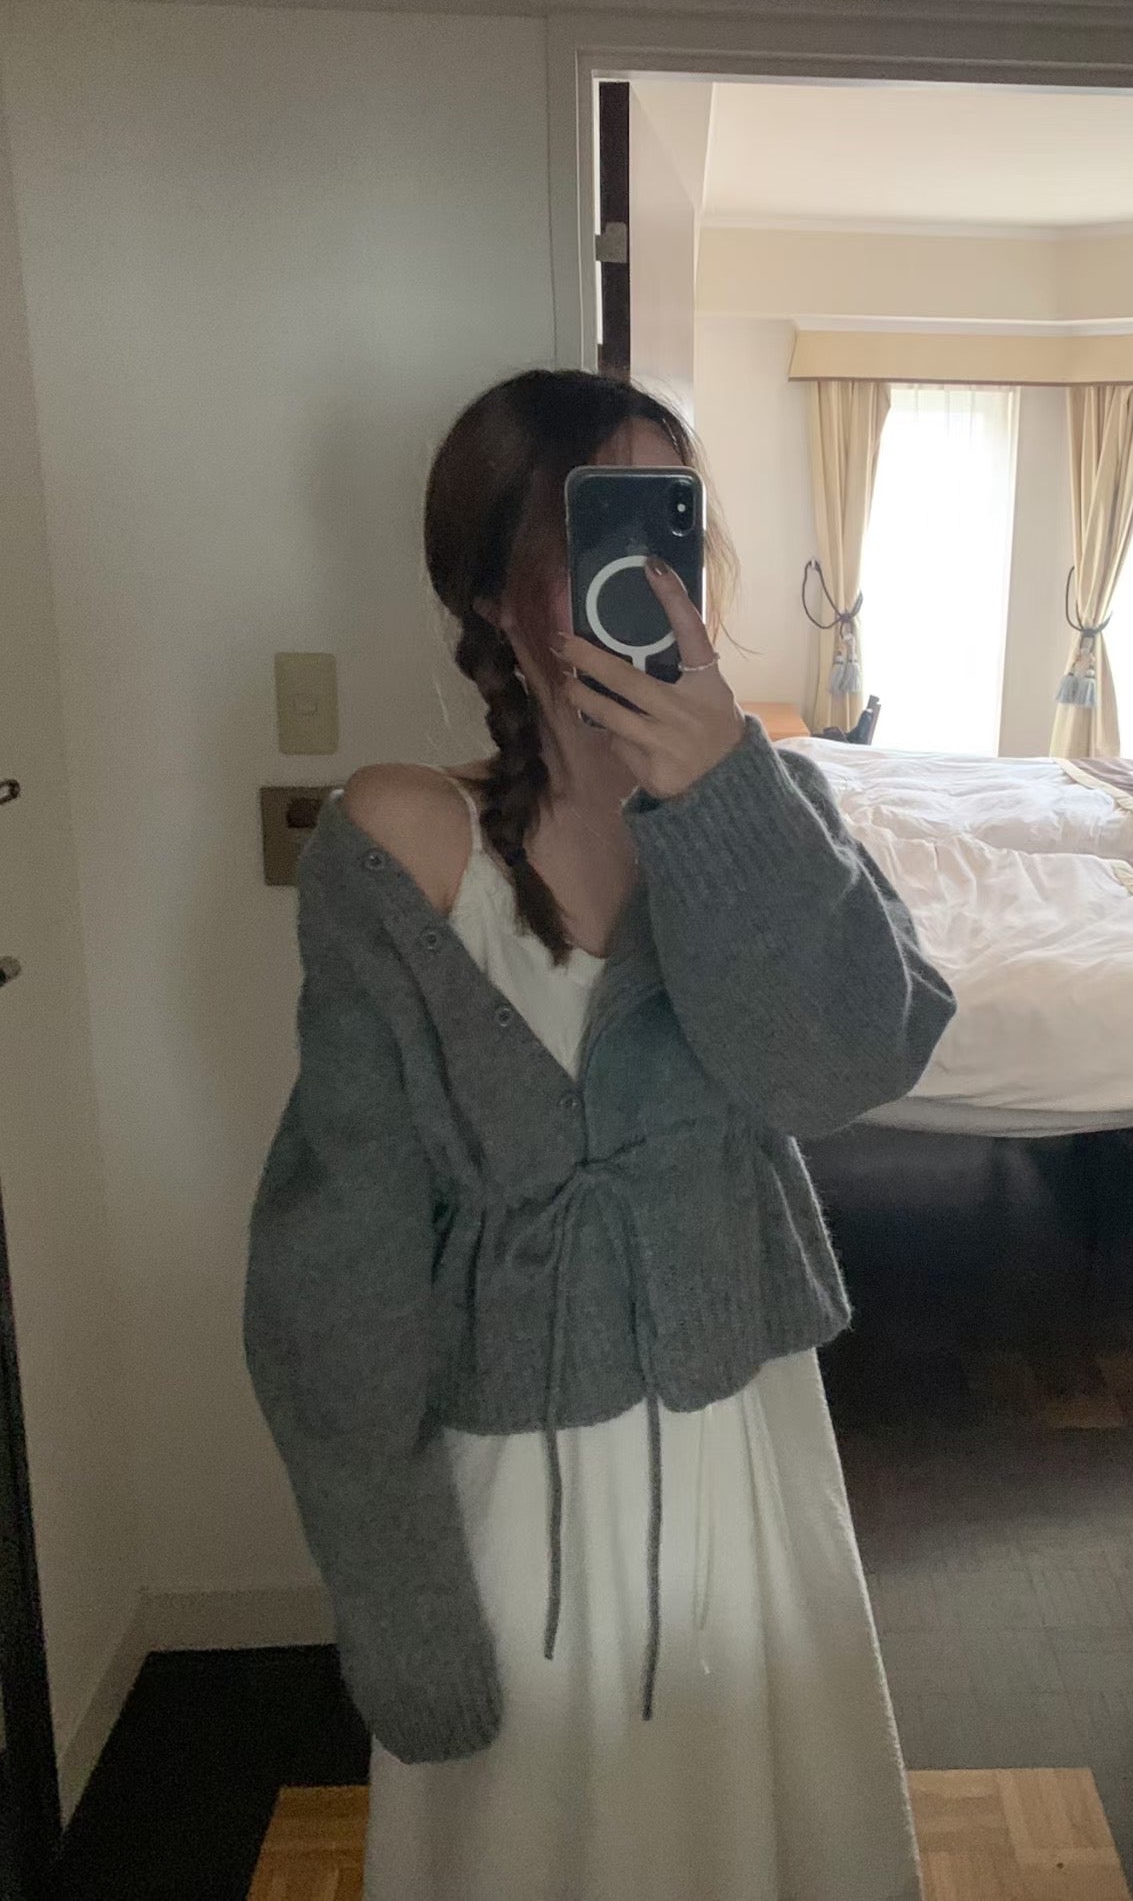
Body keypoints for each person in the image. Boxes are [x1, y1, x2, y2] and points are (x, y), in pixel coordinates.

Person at [243, 368, 956, 1901]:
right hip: (516, 1504)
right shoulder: (402, 842)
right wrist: (397, 1602)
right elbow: (336, 1265)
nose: (650, 579)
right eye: (597, 536)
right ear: (492, 594)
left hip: (746, 1464)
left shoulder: (770, 806)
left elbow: (843, 1069)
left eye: (669, 524)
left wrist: (722, 797)